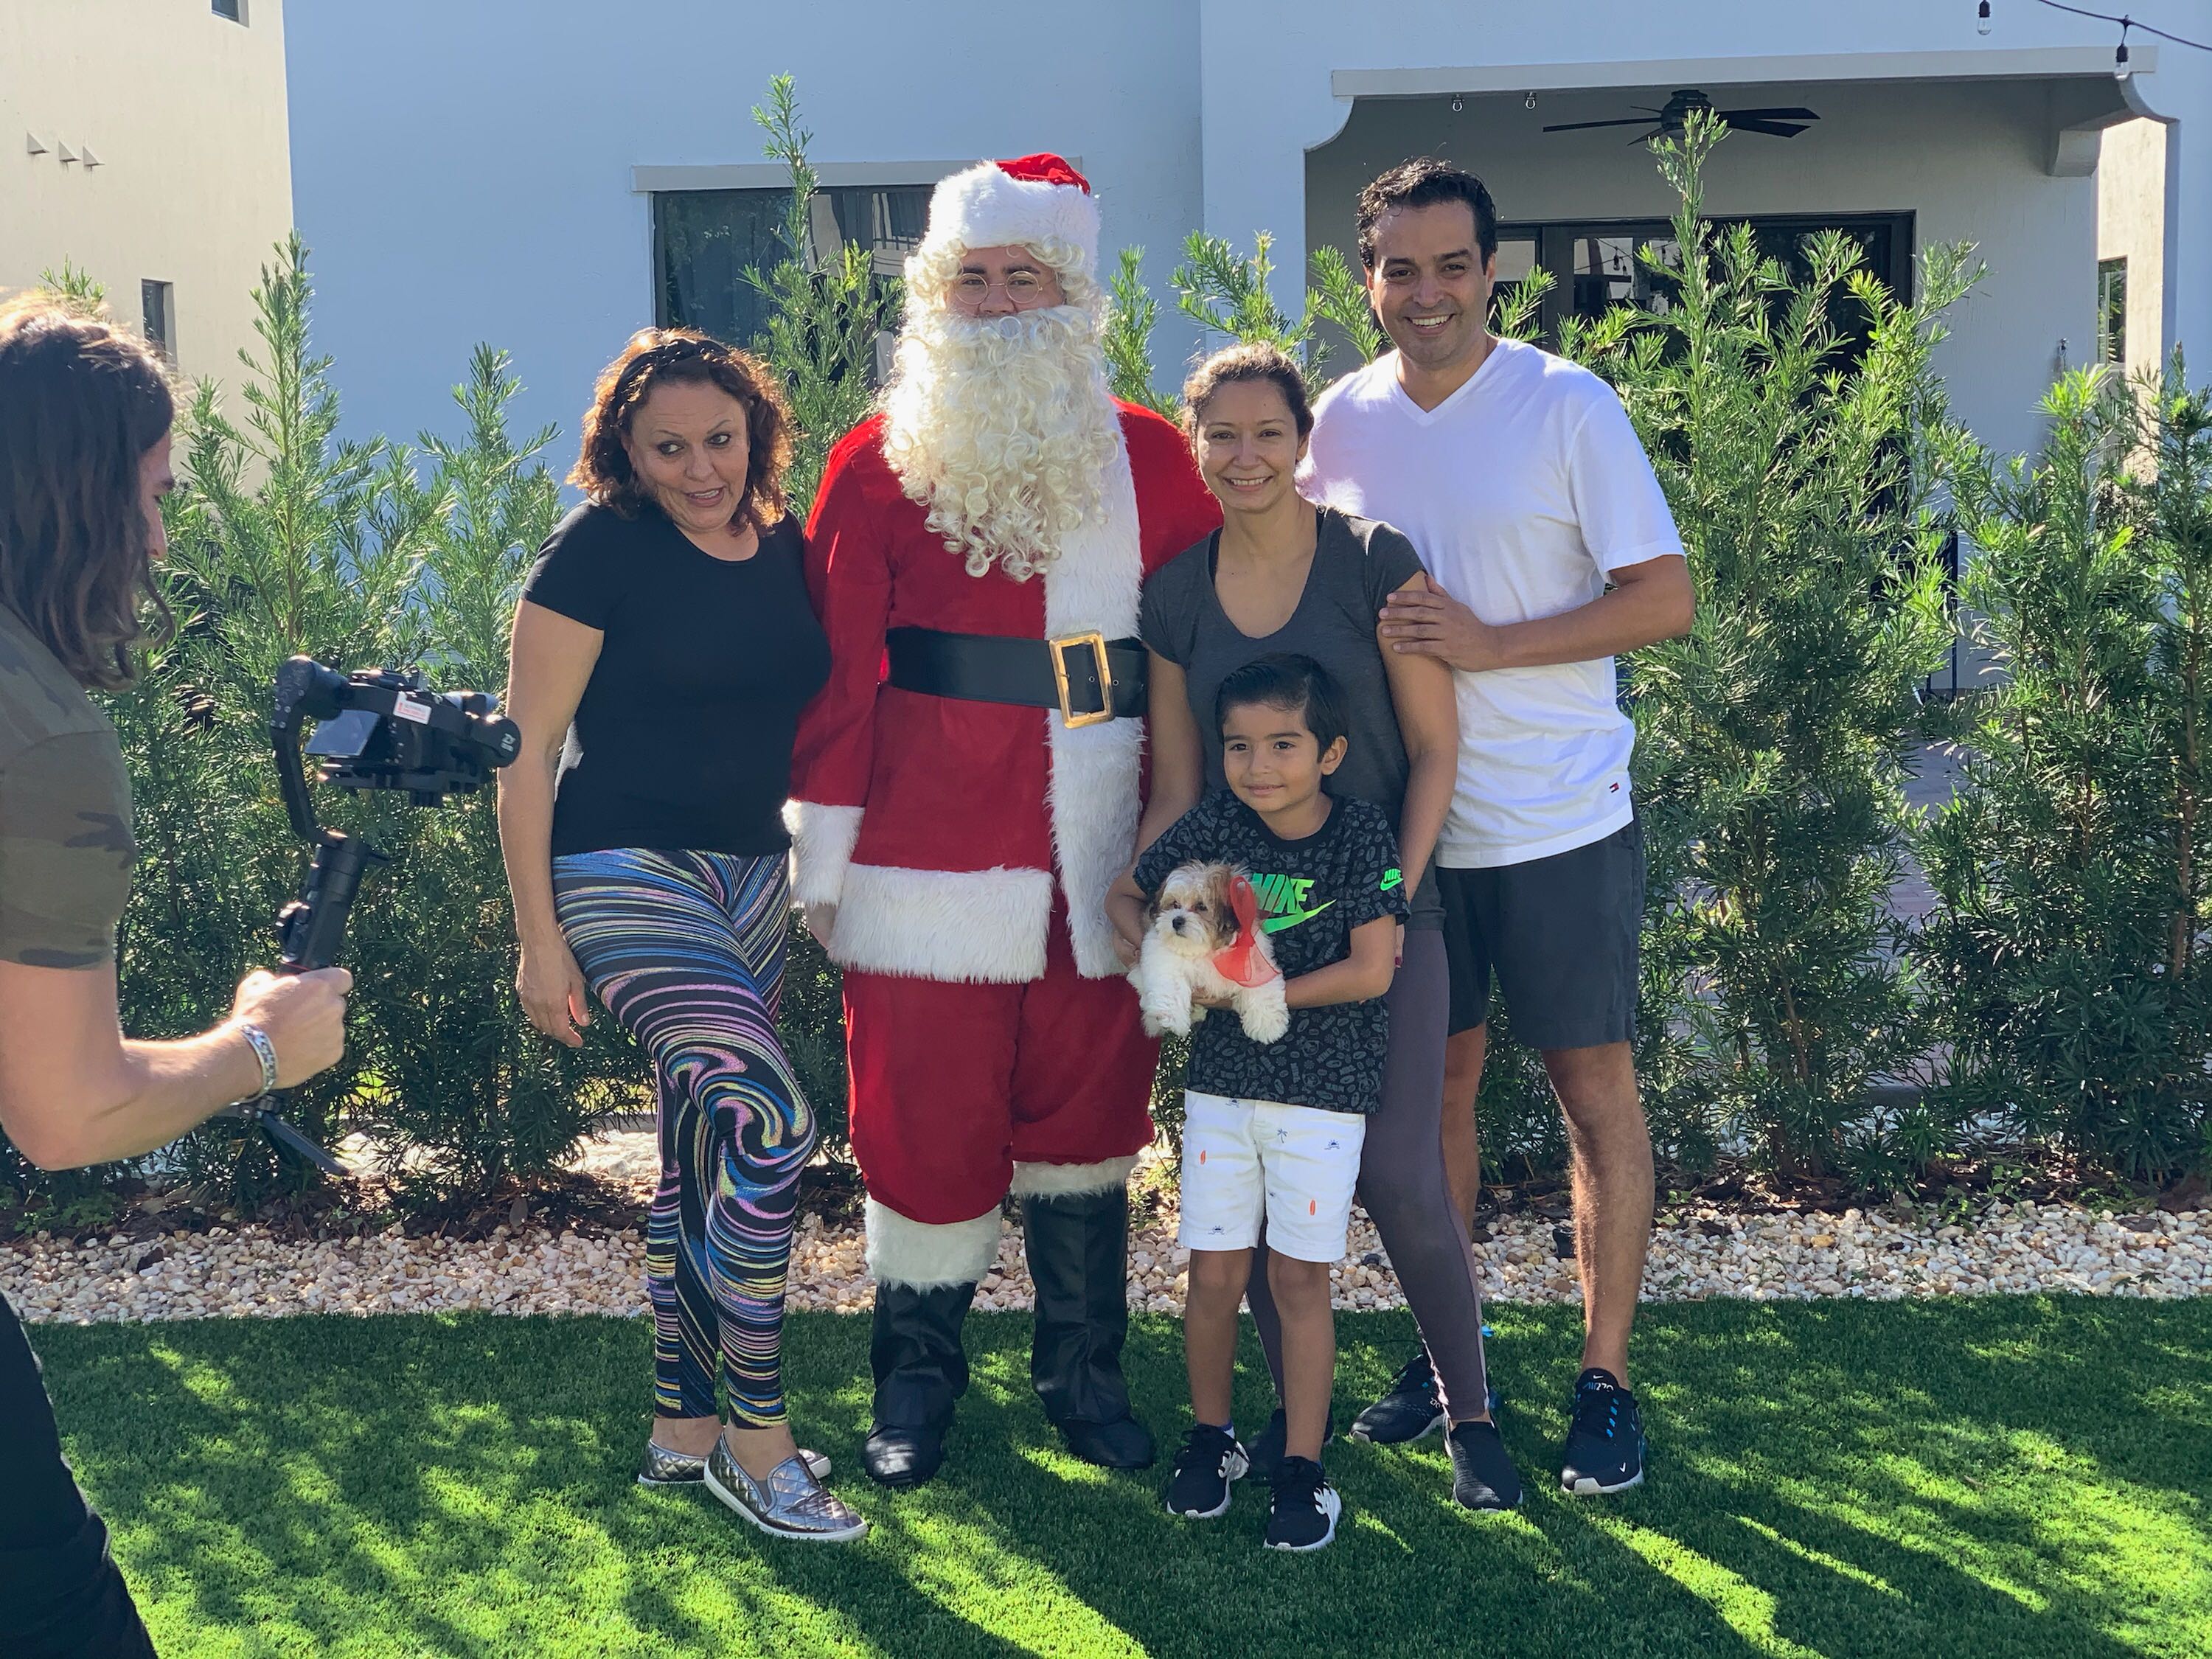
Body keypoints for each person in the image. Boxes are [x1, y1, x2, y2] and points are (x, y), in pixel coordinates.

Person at [787, 153, 1220, 1488]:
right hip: (925, 856)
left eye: (1019, 274)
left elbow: (1198, 665)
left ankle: (1085, 1380)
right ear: (933, 295)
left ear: (1072, 290)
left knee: (1091, 1126)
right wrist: (823, 853)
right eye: (968, 278)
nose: (992, 300)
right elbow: (832, 671)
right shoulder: (872, 463)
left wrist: (1183, 845)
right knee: (919, 1128)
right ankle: (915, 1389)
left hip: (1103, 861)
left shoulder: (1154, 456)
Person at [1298, 159, 1695, 1496]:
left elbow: (1662, 599)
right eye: (1400, 270)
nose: (1428, 294)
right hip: (1405, 836)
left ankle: (1606, 1379)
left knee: (1595, 1096)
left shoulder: (1566, 404)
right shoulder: (1337, 427)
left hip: (1560, 820)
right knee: (1435, 1101)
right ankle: (1444, 1355)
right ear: (1369, 280)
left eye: (1452, 266)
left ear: (1491, 270)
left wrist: (1490, 642)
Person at [0, 296, 354, 1656]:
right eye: (152, 496)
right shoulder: (37, 738)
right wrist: (259, 1045)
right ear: (80, 500)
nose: (161, 537)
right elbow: (68, 1111)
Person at [1129, 343, 1521, 1509]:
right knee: (1247, 1201)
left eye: (1268, 433)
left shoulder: (1369, 561)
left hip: (1389, 915)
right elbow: (1182, 791)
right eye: (1223, 435)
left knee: (1403, 1173)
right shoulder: (1178, 594)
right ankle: (1281, 1434)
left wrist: (1390, 897)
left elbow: (1436, 748)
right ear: (1196, 445)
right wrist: (1142, 904)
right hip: (1248, 943)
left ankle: (1473, 1411)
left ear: (1304, 443)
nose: (1245, 457)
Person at [498, 329, 862, 1543]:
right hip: (619, 866)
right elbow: (528, 757)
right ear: (626, 451)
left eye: (721, 439)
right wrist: (538, 941)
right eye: (670, 449)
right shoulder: (601, 549)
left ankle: (680, 1426)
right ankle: (761, 1440)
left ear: (757, 430)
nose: (702, 468)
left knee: (703, 1152)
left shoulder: (786, 550)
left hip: (752, 873)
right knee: (769, 1122)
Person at [1113, 655, 1407, 1551]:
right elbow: (1124, 897)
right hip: (1221, 1094)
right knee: (1213, 1275)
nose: (1258, 765)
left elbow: (1372, 968)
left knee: (1297, 1279)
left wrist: (1252, 987)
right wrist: (1173, 970)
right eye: (1239, 745)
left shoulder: (1360, 834)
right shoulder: (1213, 828)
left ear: (1331, 752)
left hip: (1322, 1096)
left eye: (1284, 744)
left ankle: (1304, 1470)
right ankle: (1214, 1441)